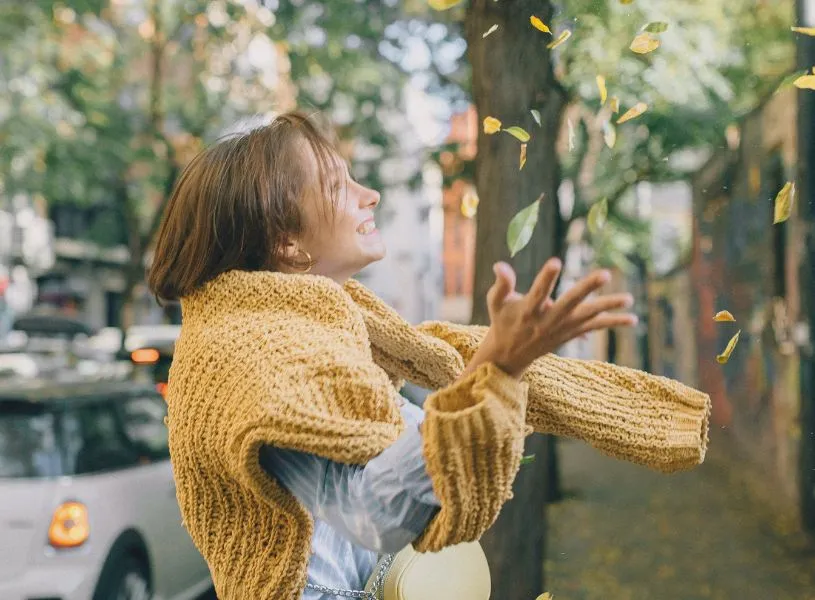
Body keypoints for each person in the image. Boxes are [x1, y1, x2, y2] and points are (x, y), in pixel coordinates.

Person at [147, 112, 710, 600]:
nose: (370, 194)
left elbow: (409, 444)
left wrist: (493, 369)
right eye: (336, 185)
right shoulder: (258, 357)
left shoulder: (307, 332)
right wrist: (498, 373)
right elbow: (378, 512)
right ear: (286, 242)